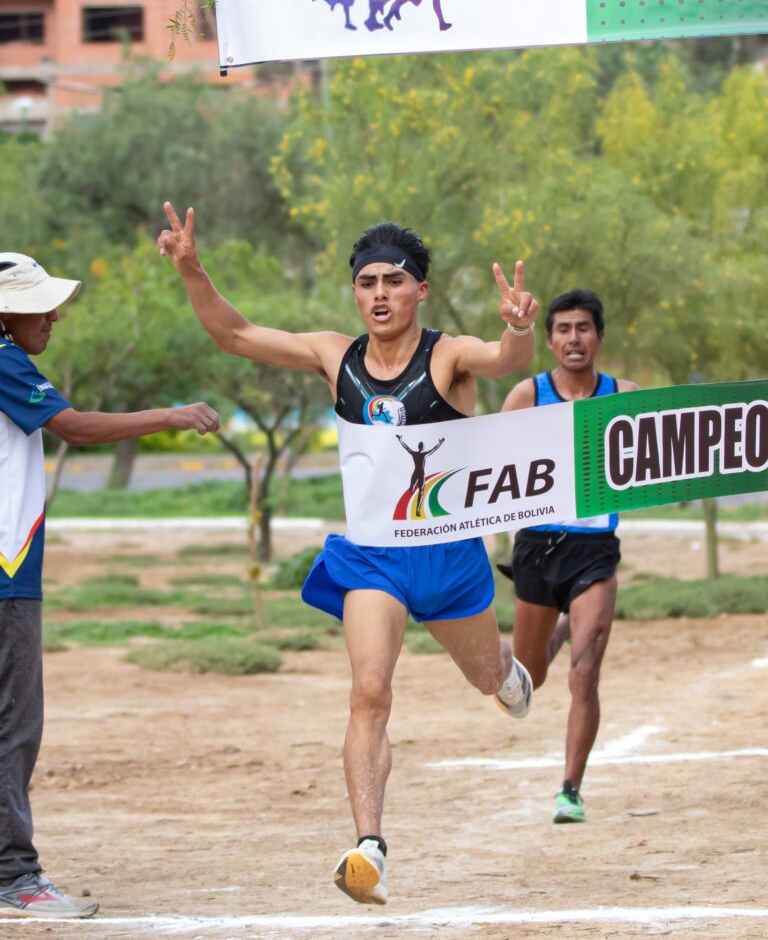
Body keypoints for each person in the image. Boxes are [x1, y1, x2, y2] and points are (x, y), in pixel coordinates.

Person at [157, 203, 537, 905]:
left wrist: (518, 325)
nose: (381, 294)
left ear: (421, 289)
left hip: (450, 558)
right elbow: (234, 335)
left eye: (395, 280)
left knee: (488, 678)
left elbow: (507, 359)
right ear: (355, 292)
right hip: (374, 558)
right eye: (368, 282)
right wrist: (193, 270)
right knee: (369, 690)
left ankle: (507, 671)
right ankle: (370, 848)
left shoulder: (447, 356)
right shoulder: (335, 355)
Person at [0, 253, 220, 919]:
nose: (55, 316)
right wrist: (172, 416)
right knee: (15, 724)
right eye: (41, 304)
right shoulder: (5, 359)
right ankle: (14, 874)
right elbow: (75, 427)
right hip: (6, 576)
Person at [499, 288, 637, 825]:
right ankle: (554, 631)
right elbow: (489, 470)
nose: (573, 339)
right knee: (531, 675)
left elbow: (658, 454)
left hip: (595, 550)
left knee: (585, 672)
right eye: (563, 330)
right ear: (550, 340)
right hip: (537, 547)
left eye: (584, 328)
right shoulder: (526, 395)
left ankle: (570, 789)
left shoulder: (622, 395)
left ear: (599, 337)